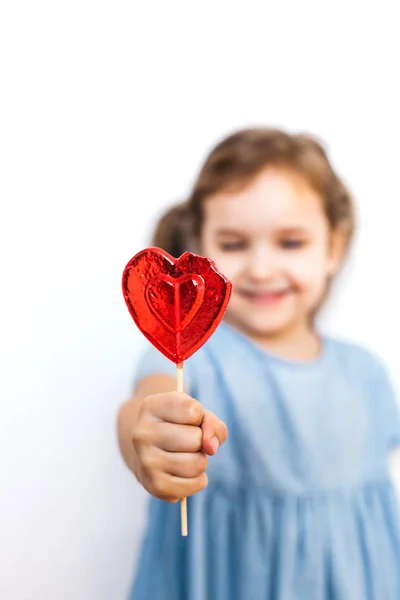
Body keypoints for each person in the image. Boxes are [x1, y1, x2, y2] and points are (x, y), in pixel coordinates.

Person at [117, 127, 400, 599]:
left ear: (333, 247)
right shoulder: (193, 359)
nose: (262, 268)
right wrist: (145, 435)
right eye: (233, 244)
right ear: (200, 248)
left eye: (291, 243)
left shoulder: (367, 372)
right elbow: (144, 405)